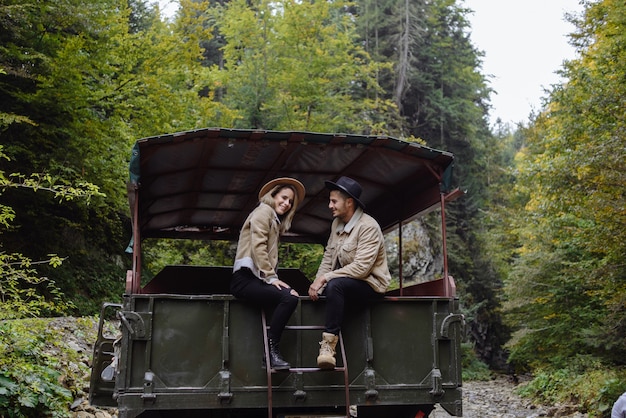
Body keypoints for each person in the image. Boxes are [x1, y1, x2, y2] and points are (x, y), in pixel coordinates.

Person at [307, 176, 391, 369]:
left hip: (371, 284)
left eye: (334, 201)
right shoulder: (337, 224)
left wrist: (326, 278)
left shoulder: (368, 226)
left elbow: (361, 269)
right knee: (329, 286)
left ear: (349, 202)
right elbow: (329, 257)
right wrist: (316, 285)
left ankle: (328, 347)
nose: (330, 205)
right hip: (348, 282)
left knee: (335, 285)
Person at [231, 177, 306, 370]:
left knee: (288, 296)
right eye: (283, 197)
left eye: (290, 202)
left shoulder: (273, 219)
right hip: (244, 279)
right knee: (289, 298)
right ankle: (270, 354)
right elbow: (258, 247)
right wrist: (272, 278)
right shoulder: (263, 211)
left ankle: (271, 353)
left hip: (255, 278)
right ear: (272, 195)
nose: (286, 203)